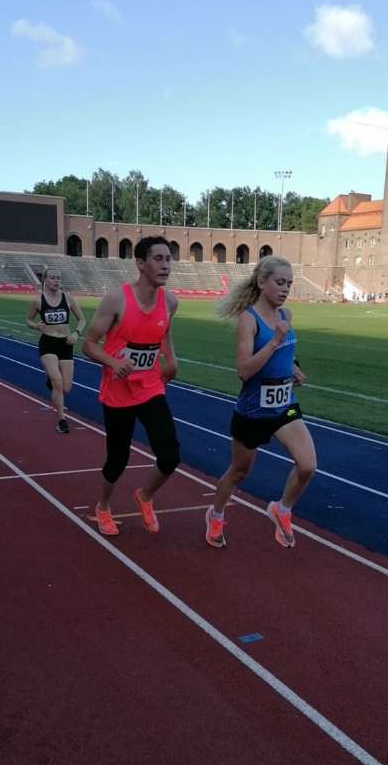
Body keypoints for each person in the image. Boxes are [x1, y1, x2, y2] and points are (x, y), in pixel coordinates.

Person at [205, 256, 316, 550]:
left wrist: (294, 367)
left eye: (289, 284)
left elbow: (284, 354)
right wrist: (274, 341)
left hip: (284, 407)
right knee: (239, 472)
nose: (285, 289)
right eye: (280, 282)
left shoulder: (286, 315)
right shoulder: (248, 319)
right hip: (253, 410)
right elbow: (243, 371)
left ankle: (282, 509)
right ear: (262, 282)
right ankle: (215, 515)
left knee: (307, 465)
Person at [81, 236, 180, 536]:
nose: (165, 265)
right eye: (158, 259)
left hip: (150, 385)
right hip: (118, 390)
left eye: (168, 259)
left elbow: (164, 332)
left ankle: (145, 496)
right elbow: (88, 344)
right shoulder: (117, 299)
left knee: (170, 455)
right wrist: (113, 363)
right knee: (118, 459)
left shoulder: (170, 301)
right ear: (140, 263)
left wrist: (171, 359)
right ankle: (103, 506)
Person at [25, 268, 86, 434]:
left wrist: (76, 333)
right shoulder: (38, 301)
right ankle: (62, 420)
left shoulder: (68, 299)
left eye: (58, 278)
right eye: (52, 278)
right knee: (57, 383)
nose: (56, 281)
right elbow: (28, 320)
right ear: (45, 280)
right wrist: (36, 326)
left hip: (66, 343)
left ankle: (51, 378)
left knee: (66, 388)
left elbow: (81, 320)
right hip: (48, 343)